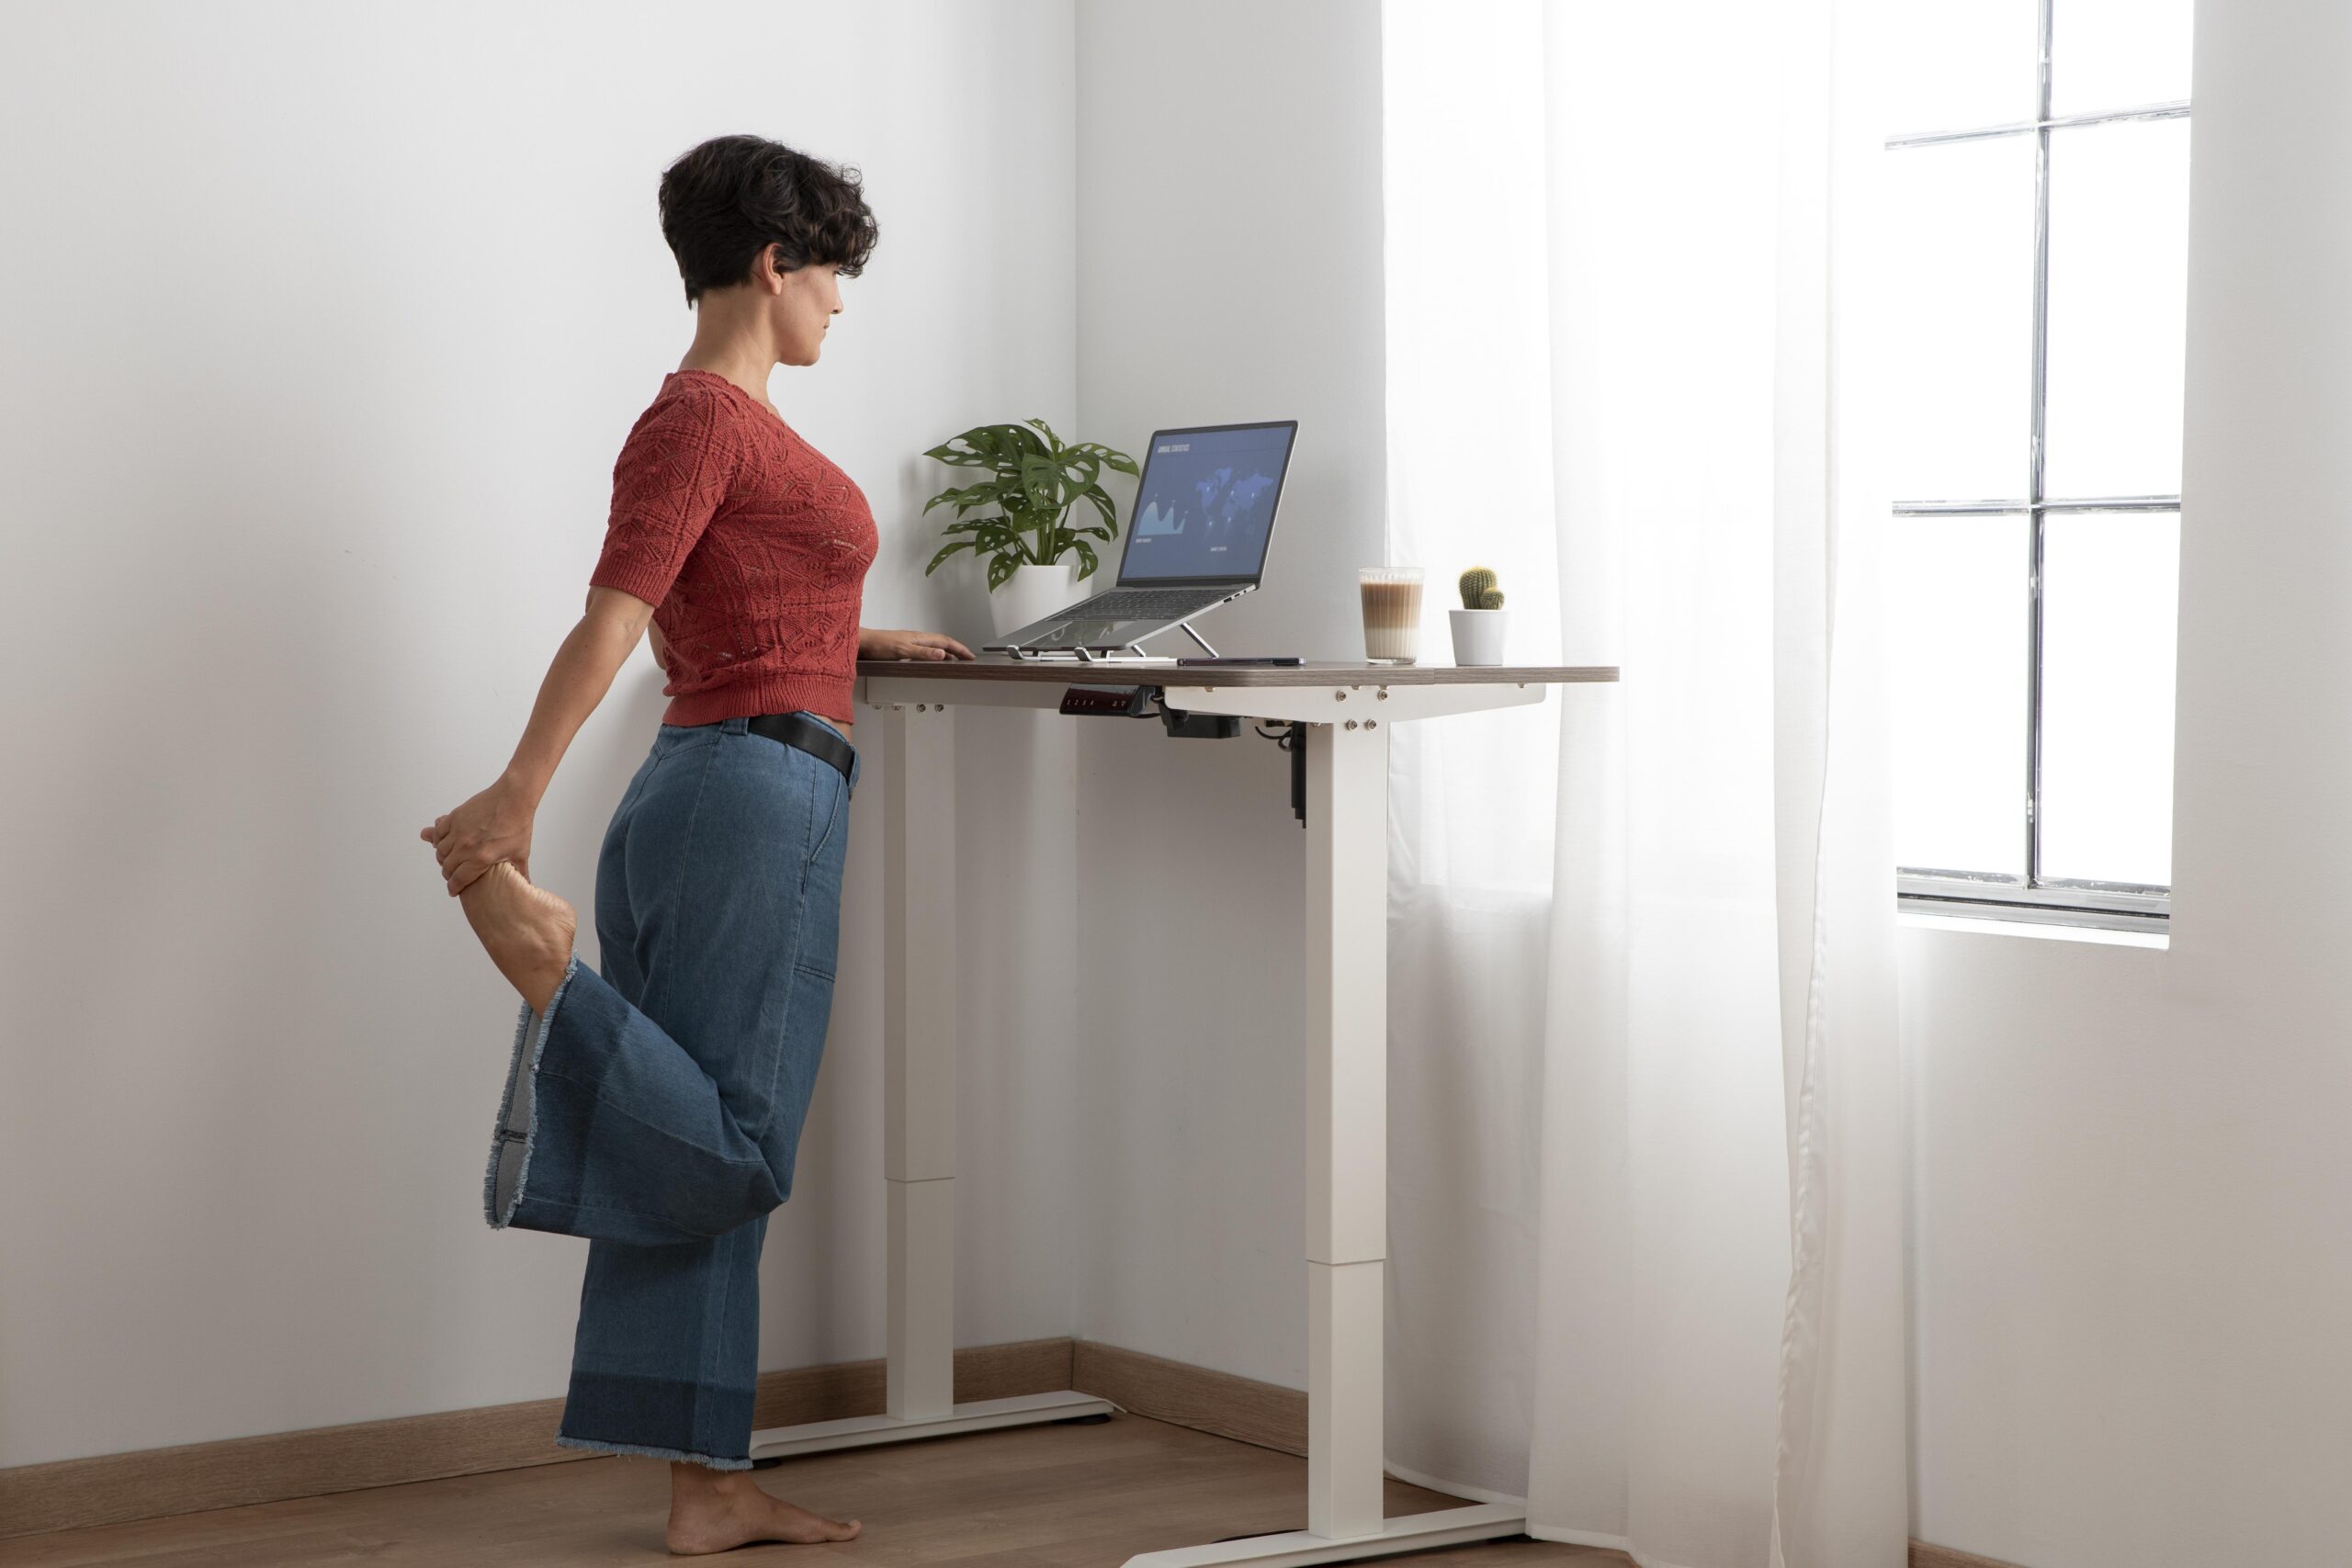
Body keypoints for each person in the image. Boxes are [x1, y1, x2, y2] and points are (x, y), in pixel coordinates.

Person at [419, 132, 973, 1555]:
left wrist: (861, 637)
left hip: (715, 783)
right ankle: (552, 974)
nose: (841, 306)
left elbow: (733, 606)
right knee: (736, 1144)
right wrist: (516, 797)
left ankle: (704, 1485)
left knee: (692, 1155)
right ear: (774, 264)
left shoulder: (725, 433)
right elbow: (616, 616)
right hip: (755, 798)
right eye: (834, 276)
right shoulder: (706, 422)